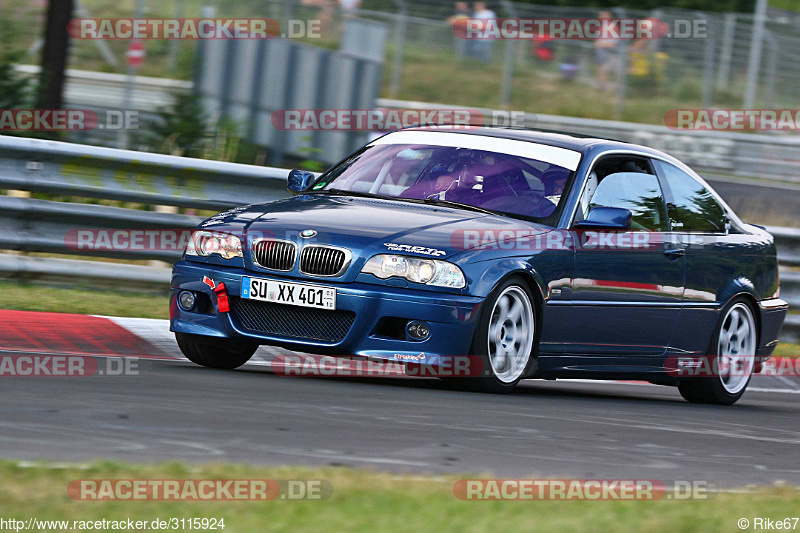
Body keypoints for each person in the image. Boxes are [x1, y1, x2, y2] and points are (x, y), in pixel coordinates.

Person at [594, 11, 618, 90]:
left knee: (604, 68)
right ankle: (600, 84)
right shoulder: (602, 25)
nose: (600, 17)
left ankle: (602, 85)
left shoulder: (611, 26)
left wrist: (600, 44)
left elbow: (613, 43)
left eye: (602, 15)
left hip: (606, 50)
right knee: (600, 67)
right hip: (600, 50)